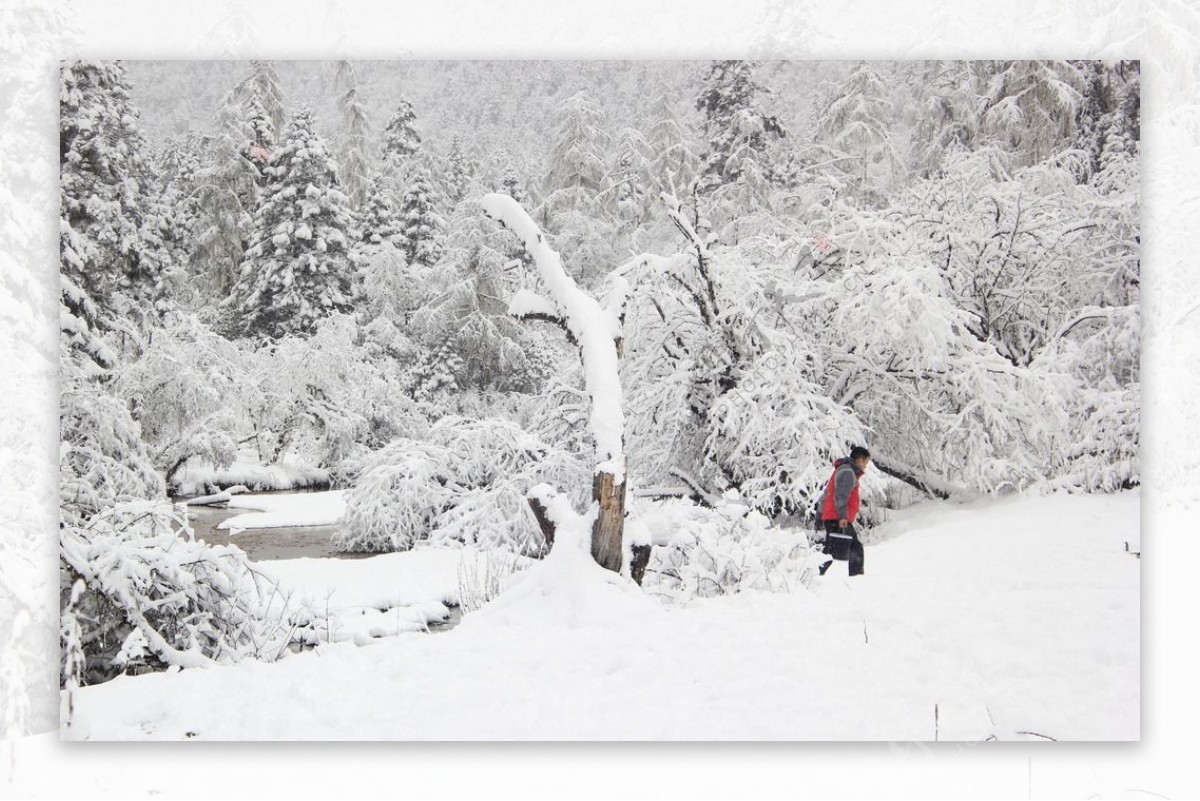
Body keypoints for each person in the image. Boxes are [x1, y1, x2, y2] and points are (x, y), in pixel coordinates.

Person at [817, 446, 871, 577]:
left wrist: (820, 513)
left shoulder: (844, 470)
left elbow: (827, 494)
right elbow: (841, 496)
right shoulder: (847, 472)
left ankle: (815, 573)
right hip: (837, 518)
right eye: (866, 462)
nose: (865, 466)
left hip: (833, 516)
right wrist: (842, 517)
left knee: (830, 549)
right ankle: (856, 578)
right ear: (860, 460)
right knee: (855, 548)